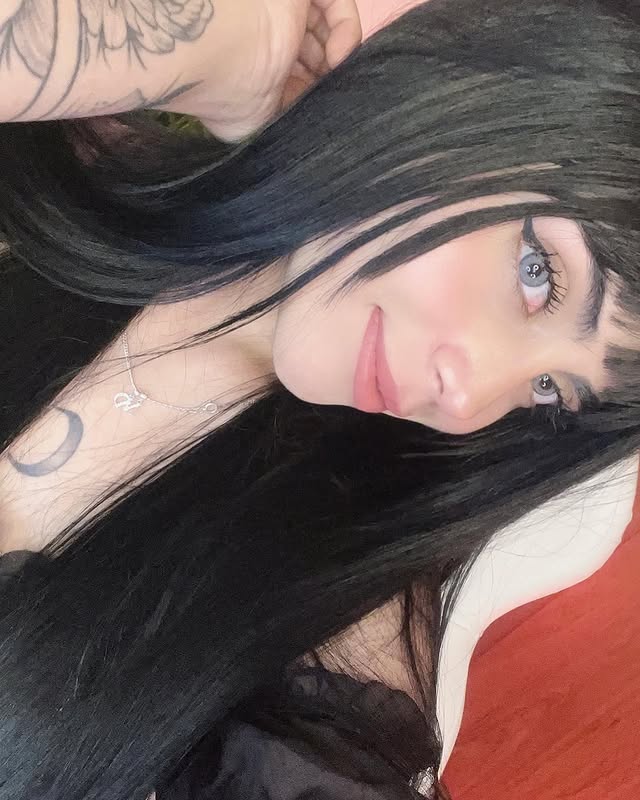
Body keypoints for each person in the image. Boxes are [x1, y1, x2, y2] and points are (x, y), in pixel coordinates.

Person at [0, 0, 638, 798]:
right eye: (538, 273)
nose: (470, 394)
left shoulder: (324, 665)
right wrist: (220, 41)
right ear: (474, 90)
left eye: (548, 391)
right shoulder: (84, 145)